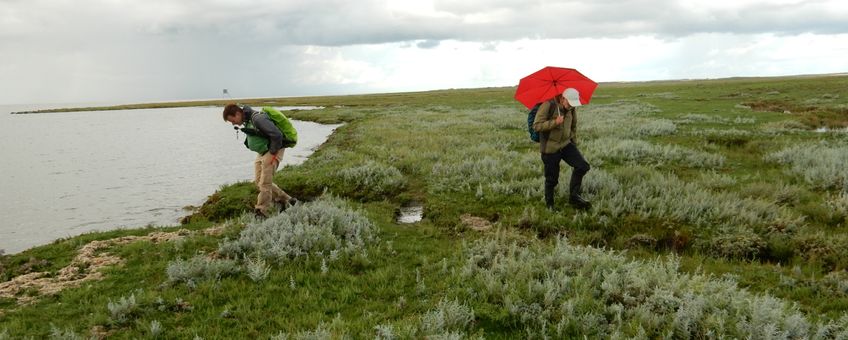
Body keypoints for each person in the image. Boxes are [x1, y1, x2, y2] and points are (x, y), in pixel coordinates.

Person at [223, 104, 297, 218]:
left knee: (265, 183)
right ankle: (288, 200)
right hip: (263, 152)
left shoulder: (258, 119)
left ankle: (261, 211)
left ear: (237, 114)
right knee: (258, 181)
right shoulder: (248, 120)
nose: (233, 124)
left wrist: (272, 153)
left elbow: (277, 135)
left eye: (232, 120)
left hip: (272, 151)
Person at [532, 88, 591, 210]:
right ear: (563, 98)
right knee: (551, 179)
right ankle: (550, 205)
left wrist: (573, 143)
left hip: (565, 145)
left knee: (582, 166)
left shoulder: (571, 109)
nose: (571, 106)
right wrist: (555, 122)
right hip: (550, 148)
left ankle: (574, 197)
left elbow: (573, 126)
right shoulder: (548, 105)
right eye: (569, 103)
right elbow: (536, 126)